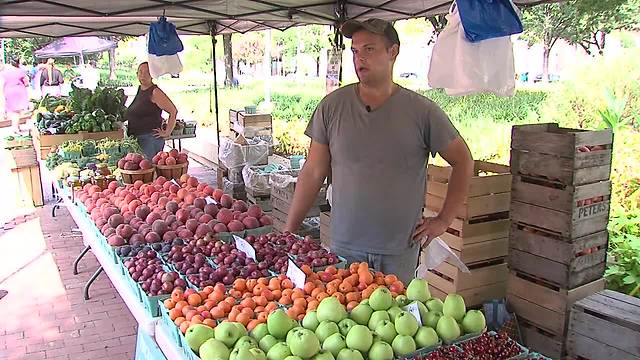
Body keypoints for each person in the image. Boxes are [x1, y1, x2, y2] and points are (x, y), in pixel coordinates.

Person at [284, 19, 474, 284]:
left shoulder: (422, 112)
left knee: (396, 321)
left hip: (398, 249)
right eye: (355, 51)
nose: (359, 57)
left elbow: (463, 161)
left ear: (393, 52)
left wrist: (443, 220)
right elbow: (313, 172)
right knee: (342, 322)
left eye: (369, 49)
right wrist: (288, 231)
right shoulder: (332, 107)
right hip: (345, 247)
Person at [125, 62, 178, 159]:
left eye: (147, 73)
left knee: (149, 171)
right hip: (138, 139)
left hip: (149, 140)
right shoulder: (141, 89)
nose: (142, 75)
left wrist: (167, 132)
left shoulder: (155, 92)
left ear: (152, 75)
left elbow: (173, 111)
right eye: (140, 72)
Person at [0, 58, 31, 133]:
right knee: (17, 111)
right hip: (19, 92)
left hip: (8, 91)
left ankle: (15, 126)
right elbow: (26, 83)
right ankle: (16, 128)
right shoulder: (20, 71)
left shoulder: (5, 72)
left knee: (13, 111)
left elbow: (2, 82)